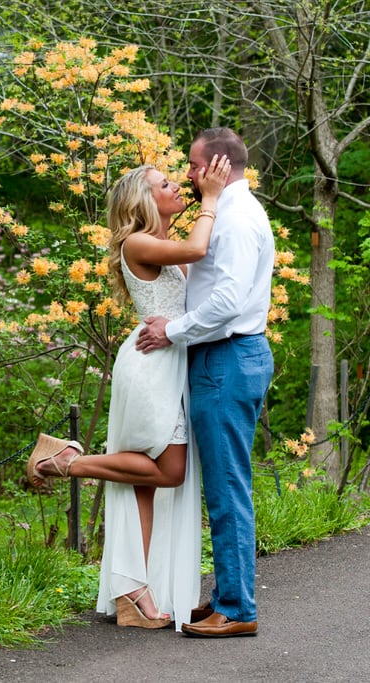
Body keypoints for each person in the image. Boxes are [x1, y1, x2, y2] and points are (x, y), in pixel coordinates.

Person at [28, 154, 231, 631]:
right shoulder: (139, 241)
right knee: (170, 471)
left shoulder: (156, 241)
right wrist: (213, 198)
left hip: (166, 363)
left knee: (145, 479)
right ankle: (62, 463)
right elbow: (200, 250)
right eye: (166, 184)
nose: (177, 186)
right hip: (149, 366)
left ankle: (133, 590)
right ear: (146, 200)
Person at [136, 128, 275, 638]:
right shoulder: (226, 210)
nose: (189, 174)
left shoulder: (236, 219)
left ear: (217, 165)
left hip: (226, 359)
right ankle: (226, 597)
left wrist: (171, 331)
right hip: (225, 358)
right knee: (222, 485)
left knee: (227, 488)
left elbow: (228, 303)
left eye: (193, 166)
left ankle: (236, 609)